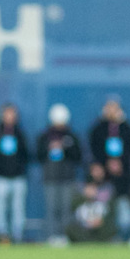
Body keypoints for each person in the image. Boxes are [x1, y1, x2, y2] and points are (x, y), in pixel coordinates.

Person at [88, 97, 130, 240]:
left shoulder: (126, 128)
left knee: (124, 211)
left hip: (123, 179)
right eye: (109, 108)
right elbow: (94, 150)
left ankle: (124, 237)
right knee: (105, 208)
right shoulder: (98, 129)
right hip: (105, 179)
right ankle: (106, 236)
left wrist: (120, 163)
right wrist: (105, 164)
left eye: (114, 108)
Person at [35, 103, 82, 243]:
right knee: (51, 209)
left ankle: (66, 236)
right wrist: (50, 148)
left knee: (66, 209)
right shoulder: (45, 137)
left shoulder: (71, 137)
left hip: (67, 177)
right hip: (50, 177)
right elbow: (38, 155)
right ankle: (52, 236)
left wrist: (65, 147)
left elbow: (77, 156)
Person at [0, 103, 28, 243]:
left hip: (18, 177)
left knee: (18, 208)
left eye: (12, 114)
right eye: (7, 113)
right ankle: (2, 235)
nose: (10, 117)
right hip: (1, 177)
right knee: (0, 208)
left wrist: (19, 168)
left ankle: (17, 235)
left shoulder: (20, 133)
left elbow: (26, 154)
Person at [66, 163, 117, 243]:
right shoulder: (79, 201)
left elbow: (110, 214)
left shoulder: (102, 202)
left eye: (93, 188)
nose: (91, 191)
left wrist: (101, 221)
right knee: (71, 228)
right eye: (89, 188)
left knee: (111, 227)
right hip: (84, 228)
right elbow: (75, 213)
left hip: (99, 226)